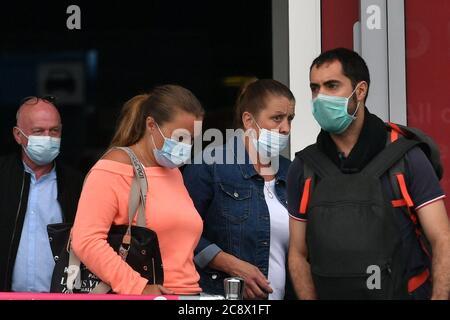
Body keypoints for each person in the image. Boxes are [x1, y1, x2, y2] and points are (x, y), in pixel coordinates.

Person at [287, 48, 450, 300]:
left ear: (360, 91)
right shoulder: (304, 167)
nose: (320, 97)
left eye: (332, 86)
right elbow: (297, 253)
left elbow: (442, 239)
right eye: (315, 88)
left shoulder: (407, 158)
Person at [71, 85, 205, 295]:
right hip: (145, 295)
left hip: (189, 293)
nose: (186, 146)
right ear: (151, 125)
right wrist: (138, 288)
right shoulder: (112, 169)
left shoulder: (173, 172)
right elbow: (85, 240)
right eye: (180, 138)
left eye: (191, 139)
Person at [183, 79, 296, 299]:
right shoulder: (209, 166)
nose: (286, 128)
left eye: (290, 119)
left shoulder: (292, 171)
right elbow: (182, 236)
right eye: (277, 118)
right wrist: (234, 266)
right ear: (248, 120)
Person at [0, 96, 83, 292]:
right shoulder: (3, 175)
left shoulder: (76, 184)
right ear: (18, 135)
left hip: (61, 296)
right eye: (38, 131)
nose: (48, 137)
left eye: (54, 131)